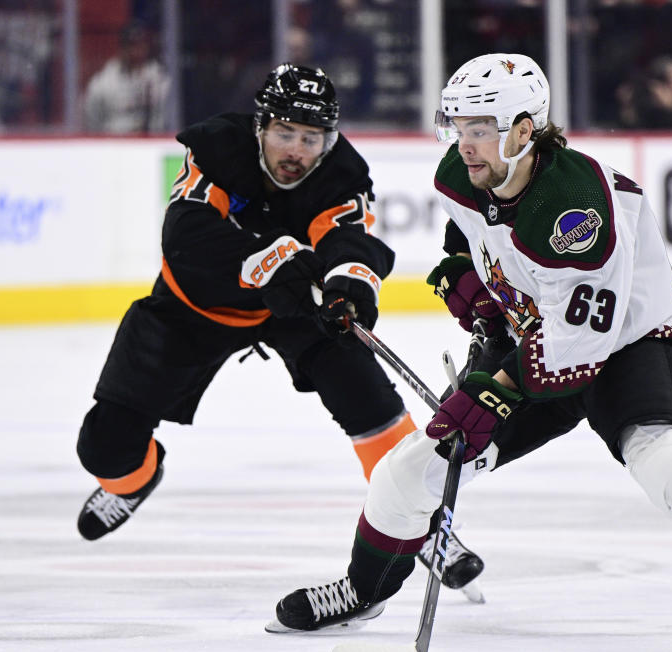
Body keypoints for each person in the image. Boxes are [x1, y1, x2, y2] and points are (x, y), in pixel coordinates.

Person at [266, 54, 672, 652]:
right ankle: (364, 593)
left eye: (480, 130)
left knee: (668, 460)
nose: (465, 146)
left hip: (629, 347)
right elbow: (468, 238)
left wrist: (488, 392)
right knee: (405, 473)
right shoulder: (466, 172)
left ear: (525, 130)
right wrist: (467, 283)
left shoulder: (576, 209)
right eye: (458, 127)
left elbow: (572, 347)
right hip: (533, 342)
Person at [74, 63, 483, 593]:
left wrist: (348, 287)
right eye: (284, 133)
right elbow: (186, 237)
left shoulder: (341, 174)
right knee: (104, 448)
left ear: (328, 139)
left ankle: (420, 524)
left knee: (367, 398)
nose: (295, 150)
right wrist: (269, 258)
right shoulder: (217, 150)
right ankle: (135, 479)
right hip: (192, 308)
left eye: (310, 138)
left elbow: (347, 242)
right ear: (259, 127)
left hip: (291, 310)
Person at [83, 22, 170, 134]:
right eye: (131, 45)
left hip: (153, 145)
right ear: (122, 48)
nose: (136, 51)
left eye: (140, 44)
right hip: (113, 145)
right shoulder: (103, 83)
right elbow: (92, 121)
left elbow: (166, 118)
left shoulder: (162, 80)